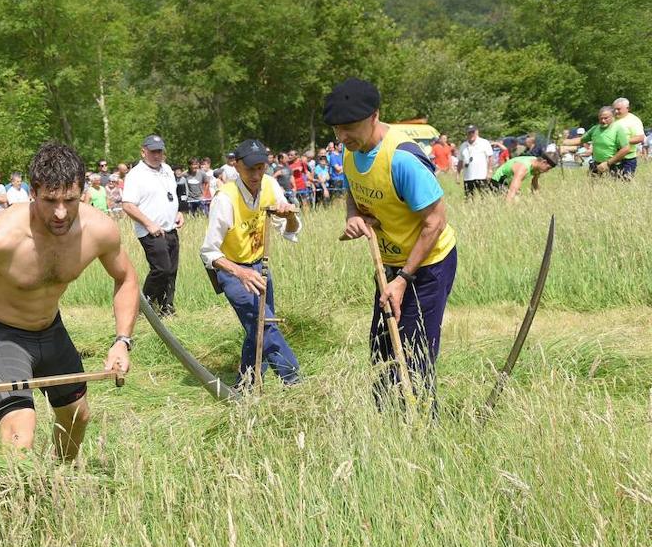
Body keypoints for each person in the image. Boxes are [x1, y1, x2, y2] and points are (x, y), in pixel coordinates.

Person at [0, 141, 138, 459]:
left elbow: (126, 278)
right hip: (2, 335)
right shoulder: (0, 235)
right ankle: (14, 503)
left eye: (70, 200)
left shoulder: (99, 231)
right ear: (33, 193)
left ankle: (59, 482)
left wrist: (122, 340)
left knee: (78, 417)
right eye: (49, 200)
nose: (60, 212)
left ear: (82, 191)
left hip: (51, 332)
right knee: (19, 436)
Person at [325, 77, 458, 410]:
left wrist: (404, 280)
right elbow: (353, 192)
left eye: (349, 128)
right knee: (383, 353)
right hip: (389, 267)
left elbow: (435, 221)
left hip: (426, 268)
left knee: (414, 355)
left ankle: (425, 430)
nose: (342, 136)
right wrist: (353, 216)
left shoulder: (403, 160)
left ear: (374, 116)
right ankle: (389, 429)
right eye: (337, 129)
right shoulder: (350, 151)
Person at [199, 139, 302, 386]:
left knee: (257, 327)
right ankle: (295, 381)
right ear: (236, 165)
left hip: (260, 267)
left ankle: (245, 385)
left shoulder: (270, 185)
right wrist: (240, 273)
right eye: (250, 168)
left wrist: (288, 216)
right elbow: (209, 253)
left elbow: (290, 231)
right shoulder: (225, 198)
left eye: (261, 167)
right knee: (263, 325)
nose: (256, 174)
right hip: (232, 270)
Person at [121, 134, 183, 316]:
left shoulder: (167, 170)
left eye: (160, 151)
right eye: (153, 151)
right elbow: (128, 205)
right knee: (161, 269)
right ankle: (144, 307)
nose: (157, 155)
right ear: (143, 152)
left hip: (171, 228)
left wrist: (178, 213)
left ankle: (167, 308)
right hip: (151, 231)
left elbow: (170, 196)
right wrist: (149, 224)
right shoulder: (136, 175)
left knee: (171, 271)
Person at [563, 106, 632, 178]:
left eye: (606, 118)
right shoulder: (595, 129)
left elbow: (626, 149)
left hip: (613, 166)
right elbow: (581, 140)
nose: (603, 121)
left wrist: (608, 163)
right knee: (592, 188)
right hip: (596, 165)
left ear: (612, 117)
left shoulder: (618, 129)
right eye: (601, 118)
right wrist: (563, 142)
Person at [492, 152, 557, 203]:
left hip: (509, 182)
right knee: (515, 201)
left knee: (518, 201)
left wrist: (538, 199)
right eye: (548, 168)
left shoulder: (537, 164)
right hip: (497, 183)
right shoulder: (523, 168)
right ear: (544, 162)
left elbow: (534, 182)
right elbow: (513, 190)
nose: (547, 171)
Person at [458, 125, 493, 197]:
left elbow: (490, 157)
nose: (471, 134)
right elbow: (460, 161)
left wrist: (489, 171)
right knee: (469, 198)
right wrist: (458, 174)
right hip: (468, 177)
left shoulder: (484, 142)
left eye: (472, 132)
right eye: (469, 133)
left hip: (481, 176)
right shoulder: (463, 145)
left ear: (477, 132)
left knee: (484, 196)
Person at [612, 98, 644, 177]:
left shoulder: (634, 120)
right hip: (613, 157)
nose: (616, 111)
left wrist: (623, 141)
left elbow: (640, 137)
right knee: (613, 182)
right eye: (614, 109)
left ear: (627, 109)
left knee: (626, 181)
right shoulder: (611, 119)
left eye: (618, 109)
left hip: (628, 158)